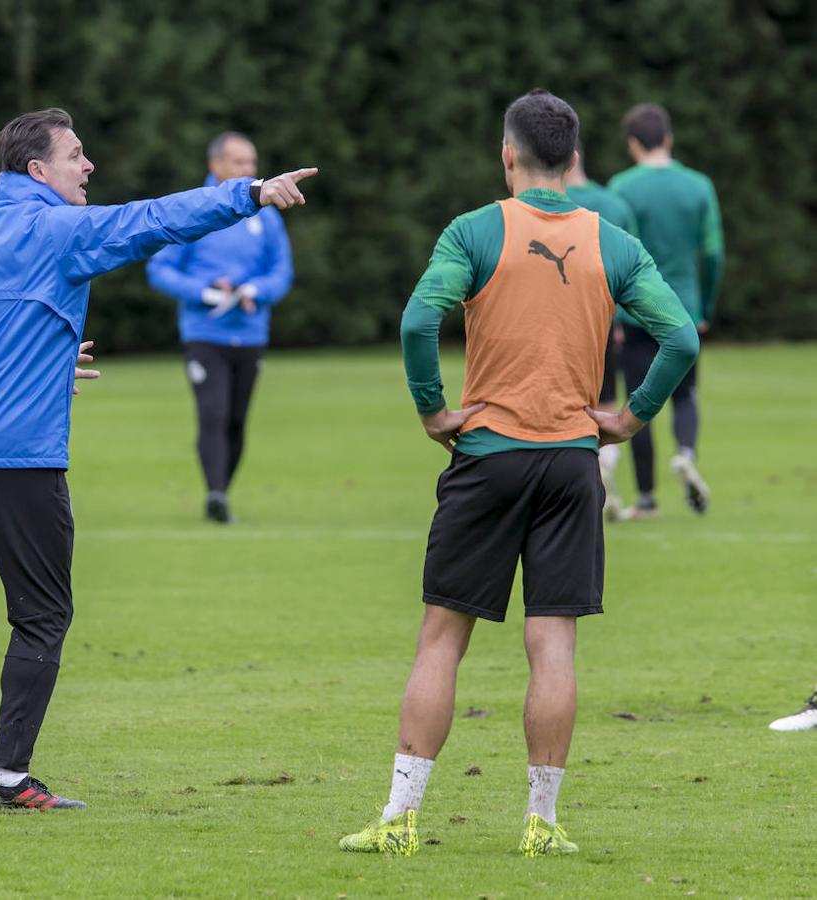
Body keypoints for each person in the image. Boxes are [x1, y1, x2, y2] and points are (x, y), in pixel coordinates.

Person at [0, 108, 316, 810]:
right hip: (15, 455)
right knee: (41, 616)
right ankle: (7, 780)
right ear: (37, 171)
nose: (88, 167)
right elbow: (152, 220)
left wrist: (46, 361)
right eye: (76, 155)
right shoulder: (56, 228)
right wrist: (247, 194)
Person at [338, 90, 698, 858]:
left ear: (508, 154)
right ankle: (542, 823)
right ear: (572, 160)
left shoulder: (474, 230)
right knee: (554, 645)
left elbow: (415, 321)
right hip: (572, 462)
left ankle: (400, 820)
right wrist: (631, 416)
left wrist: (435, 410)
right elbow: (678, 338)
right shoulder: (613, 241)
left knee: (442, 639)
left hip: (489, 456)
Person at [146, 131, 294, 523]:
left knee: (236, 419)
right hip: (203, 333)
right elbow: (160, 269)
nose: (248, 170)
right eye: (239, 162)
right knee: (213, 413)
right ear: (216, 166)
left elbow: (281, 272)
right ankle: (216, 495)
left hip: (250, 333)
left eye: (252, 163)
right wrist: (205, 292)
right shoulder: (193, 212)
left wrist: (254, 290)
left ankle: (221, 492)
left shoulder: (267, 217)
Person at [610, 103, 724, 519]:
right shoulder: (699, 186)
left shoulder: (622, 187)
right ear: (669, 139)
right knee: (685, 394)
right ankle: (687, 453)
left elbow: (618, 254)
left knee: (638, 401)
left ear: (634, 143)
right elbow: (712, 252)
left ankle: (646, 499)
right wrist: (705, 305)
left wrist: (614, 310)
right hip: (686, 310)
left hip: (637, 311)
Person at [565, 143, 639, 520]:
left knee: (564, 411)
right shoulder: (613, 205)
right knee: (606, 409)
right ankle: (604, 469)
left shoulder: (539, 207)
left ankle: (582, 488)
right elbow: (635, 267)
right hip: (605, 324)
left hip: (557, 325)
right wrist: (623, 319)